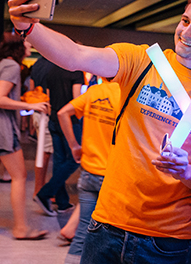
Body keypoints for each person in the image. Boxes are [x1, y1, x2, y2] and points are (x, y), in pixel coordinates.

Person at [8, 0, 191, 263]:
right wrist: (28, 28)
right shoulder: (142, 61)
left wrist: (186, 172)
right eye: (185, 21)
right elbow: (74, 56)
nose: (186, 32)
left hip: (168, 240)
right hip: (107, 225)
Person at [0, 31, 48, 240]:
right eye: (27, 44)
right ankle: (21, 228)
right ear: (18, 47)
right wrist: (30, 105)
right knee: (20, 176)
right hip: (2, 129)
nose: (30, 47)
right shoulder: (12, 66)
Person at [58, 80, 121, 264]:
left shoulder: (94, 92)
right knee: (112, 233)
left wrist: (74, 146)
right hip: (112, 175)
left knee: (84, 227)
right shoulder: (126, 95)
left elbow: (63, 113)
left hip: (88, 172)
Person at [33, 63, 84, 216]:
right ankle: (45, 193)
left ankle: (62, 203)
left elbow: (49, 100)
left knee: (60, 160)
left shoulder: (51, 72)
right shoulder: (76, 71)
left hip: (53, 120)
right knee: (75, 159)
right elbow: (76, 100)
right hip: (69, 121)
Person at [29, 56, 54, 198]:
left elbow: (32, 89)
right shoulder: (54, 65)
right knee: (44, 153)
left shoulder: (37, 64)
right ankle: (39, 190)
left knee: (43, 152)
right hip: (47, 112)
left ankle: (41, 189)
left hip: (37, 110)